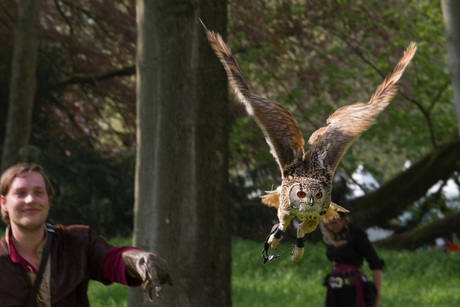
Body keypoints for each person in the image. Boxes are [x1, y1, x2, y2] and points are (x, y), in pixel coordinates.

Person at [0, 163, 173, 306]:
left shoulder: (77, 242)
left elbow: (111, 259)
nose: (31, 199)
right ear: (4, 203)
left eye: (39, 192)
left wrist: (138, 261)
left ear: (47, 200)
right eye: (20, 193)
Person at [320, 211, 384, 307]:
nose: (331, 227)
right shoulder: (331, 235)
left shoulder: (356, 234)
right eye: (327, 224)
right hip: (335, 291)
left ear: (342, 218)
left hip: (353, 290)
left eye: (334, 223)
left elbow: (376, 265)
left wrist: (376, 298)